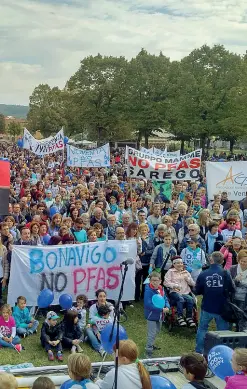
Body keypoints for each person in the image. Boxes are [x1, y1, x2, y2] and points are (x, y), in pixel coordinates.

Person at [195, 251, 235, 354]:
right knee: (222, 332)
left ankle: (199, 351)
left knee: (202, 329)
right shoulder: (226, 273)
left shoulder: (204, 274)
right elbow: (232, 289)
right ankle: (222, 352)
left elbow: (197, 291)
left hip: (207, 306)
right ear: (222, 261)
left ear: (211, 260)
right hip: (222, 307)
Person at [164, 257, 196, 328]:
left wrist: (188, 279)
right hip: (174, 292)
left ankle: (189, 318)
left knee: (190, 299)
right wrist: (174, 285)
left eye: (181, 263)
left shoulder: (186, 272)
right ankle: (180, 317)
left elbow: (193, 284)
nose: (180, 264)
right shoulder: (170, 272)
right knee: (180, 299)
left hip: (185, 292)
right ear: (174, 264)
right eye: (178, 263)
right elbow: (166, 283)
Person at [144, 271, 170, 358]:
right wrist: (161, 309)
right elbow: (148, 304)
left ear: (160, 281)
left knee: (157, 331)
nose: (155, 282)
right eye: (153, 280)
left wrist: (167, 306)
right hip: (151, 316)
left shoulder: (161, 289)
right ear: (150, 281)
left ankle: (151, 344)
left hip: (160, 315)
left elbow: (165, 299)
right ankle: (148, 350)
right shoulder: (148, 290)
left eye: (156, 280)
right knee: (151, 333)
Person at [86, 289, 114, 357]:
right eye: (100, 296)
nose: (102, 298)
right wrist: (97, 333)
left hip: (108, 329)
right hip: (96, 328)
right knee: (88, 329)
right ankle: (100, 349)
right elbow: (92, 322)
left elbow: (113, 322)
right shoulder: (93, 308)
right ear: (97, 297)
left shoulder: (110, 307)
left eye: (104, 296)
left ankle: (91, 338)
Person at [229, 250, 247, 331]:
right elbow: (228, 284)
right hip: (233, 298)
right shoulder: (233, 268)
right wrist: (235, 280)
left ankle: (241, 337)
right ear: (238, 260)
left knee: (242, 320)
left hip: (244, 300)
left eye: (246, 262)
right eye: (242, 261)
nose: (244, 263)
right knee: (231, 318)